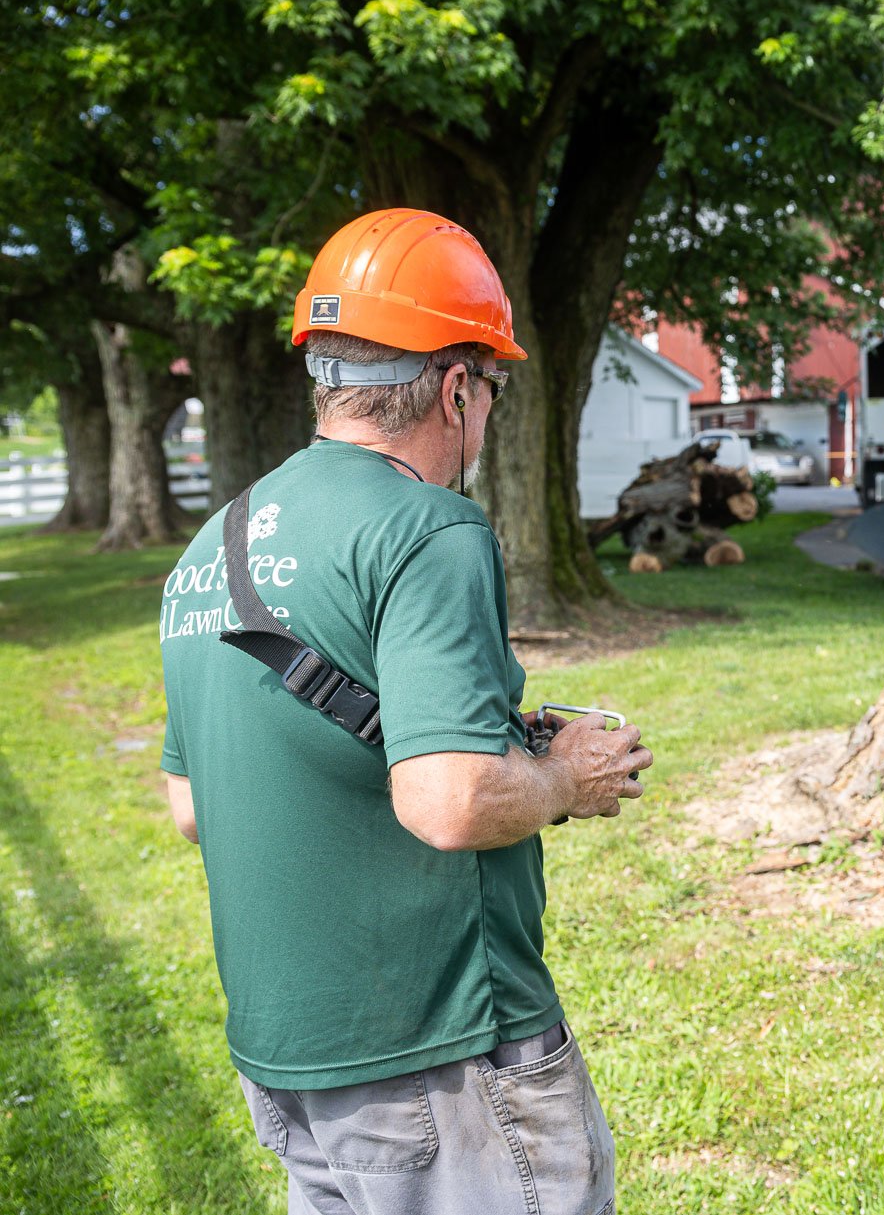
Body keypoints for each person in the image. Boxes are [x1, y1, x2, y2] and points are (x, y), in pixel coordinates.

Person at [157, 208, 649, 1215]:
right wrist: (563, 776)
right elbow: (450, 802)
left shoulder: (217, 541)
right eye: (494, 389)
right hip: (441, 1049)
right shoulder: (429, 529)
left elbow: (191, 804)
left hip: (289, 1057)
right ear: (458, 385)